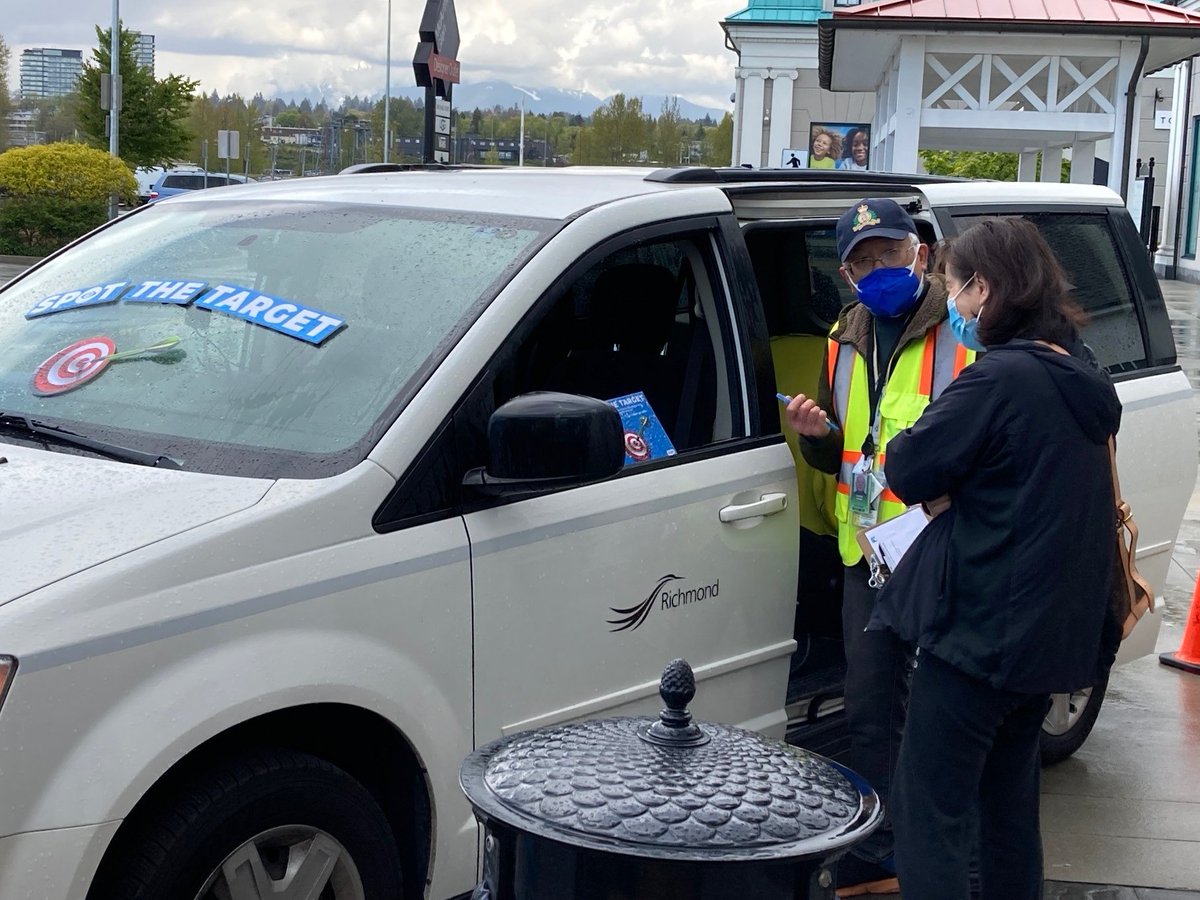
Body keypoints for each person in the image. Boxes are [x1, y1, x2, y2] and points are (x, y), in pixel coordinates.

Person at [875, 217, 1121, 900]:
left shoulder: (999, 380)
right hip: (1047, 643)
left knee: (931, 814)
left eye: (953, 288)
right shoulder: (1081, 377)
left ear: (982, 288)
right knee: (1008, 815)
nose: (951, 305)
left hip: (978, 639)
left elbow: (909, 465)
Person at [784, 198, 975, 896]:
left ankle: (942, 847)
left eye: (889, 253)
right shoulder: (842, 336)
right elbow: (843, 450)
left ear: (918, 253)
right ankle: (885, 844)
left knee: (942, 710)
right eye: (863, 260)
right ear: (845, 272)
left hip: (941, 550)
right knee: (869, 708)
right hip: (866, 552)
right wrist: (816, 437)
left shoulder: (961, 331)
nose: (879, 268)